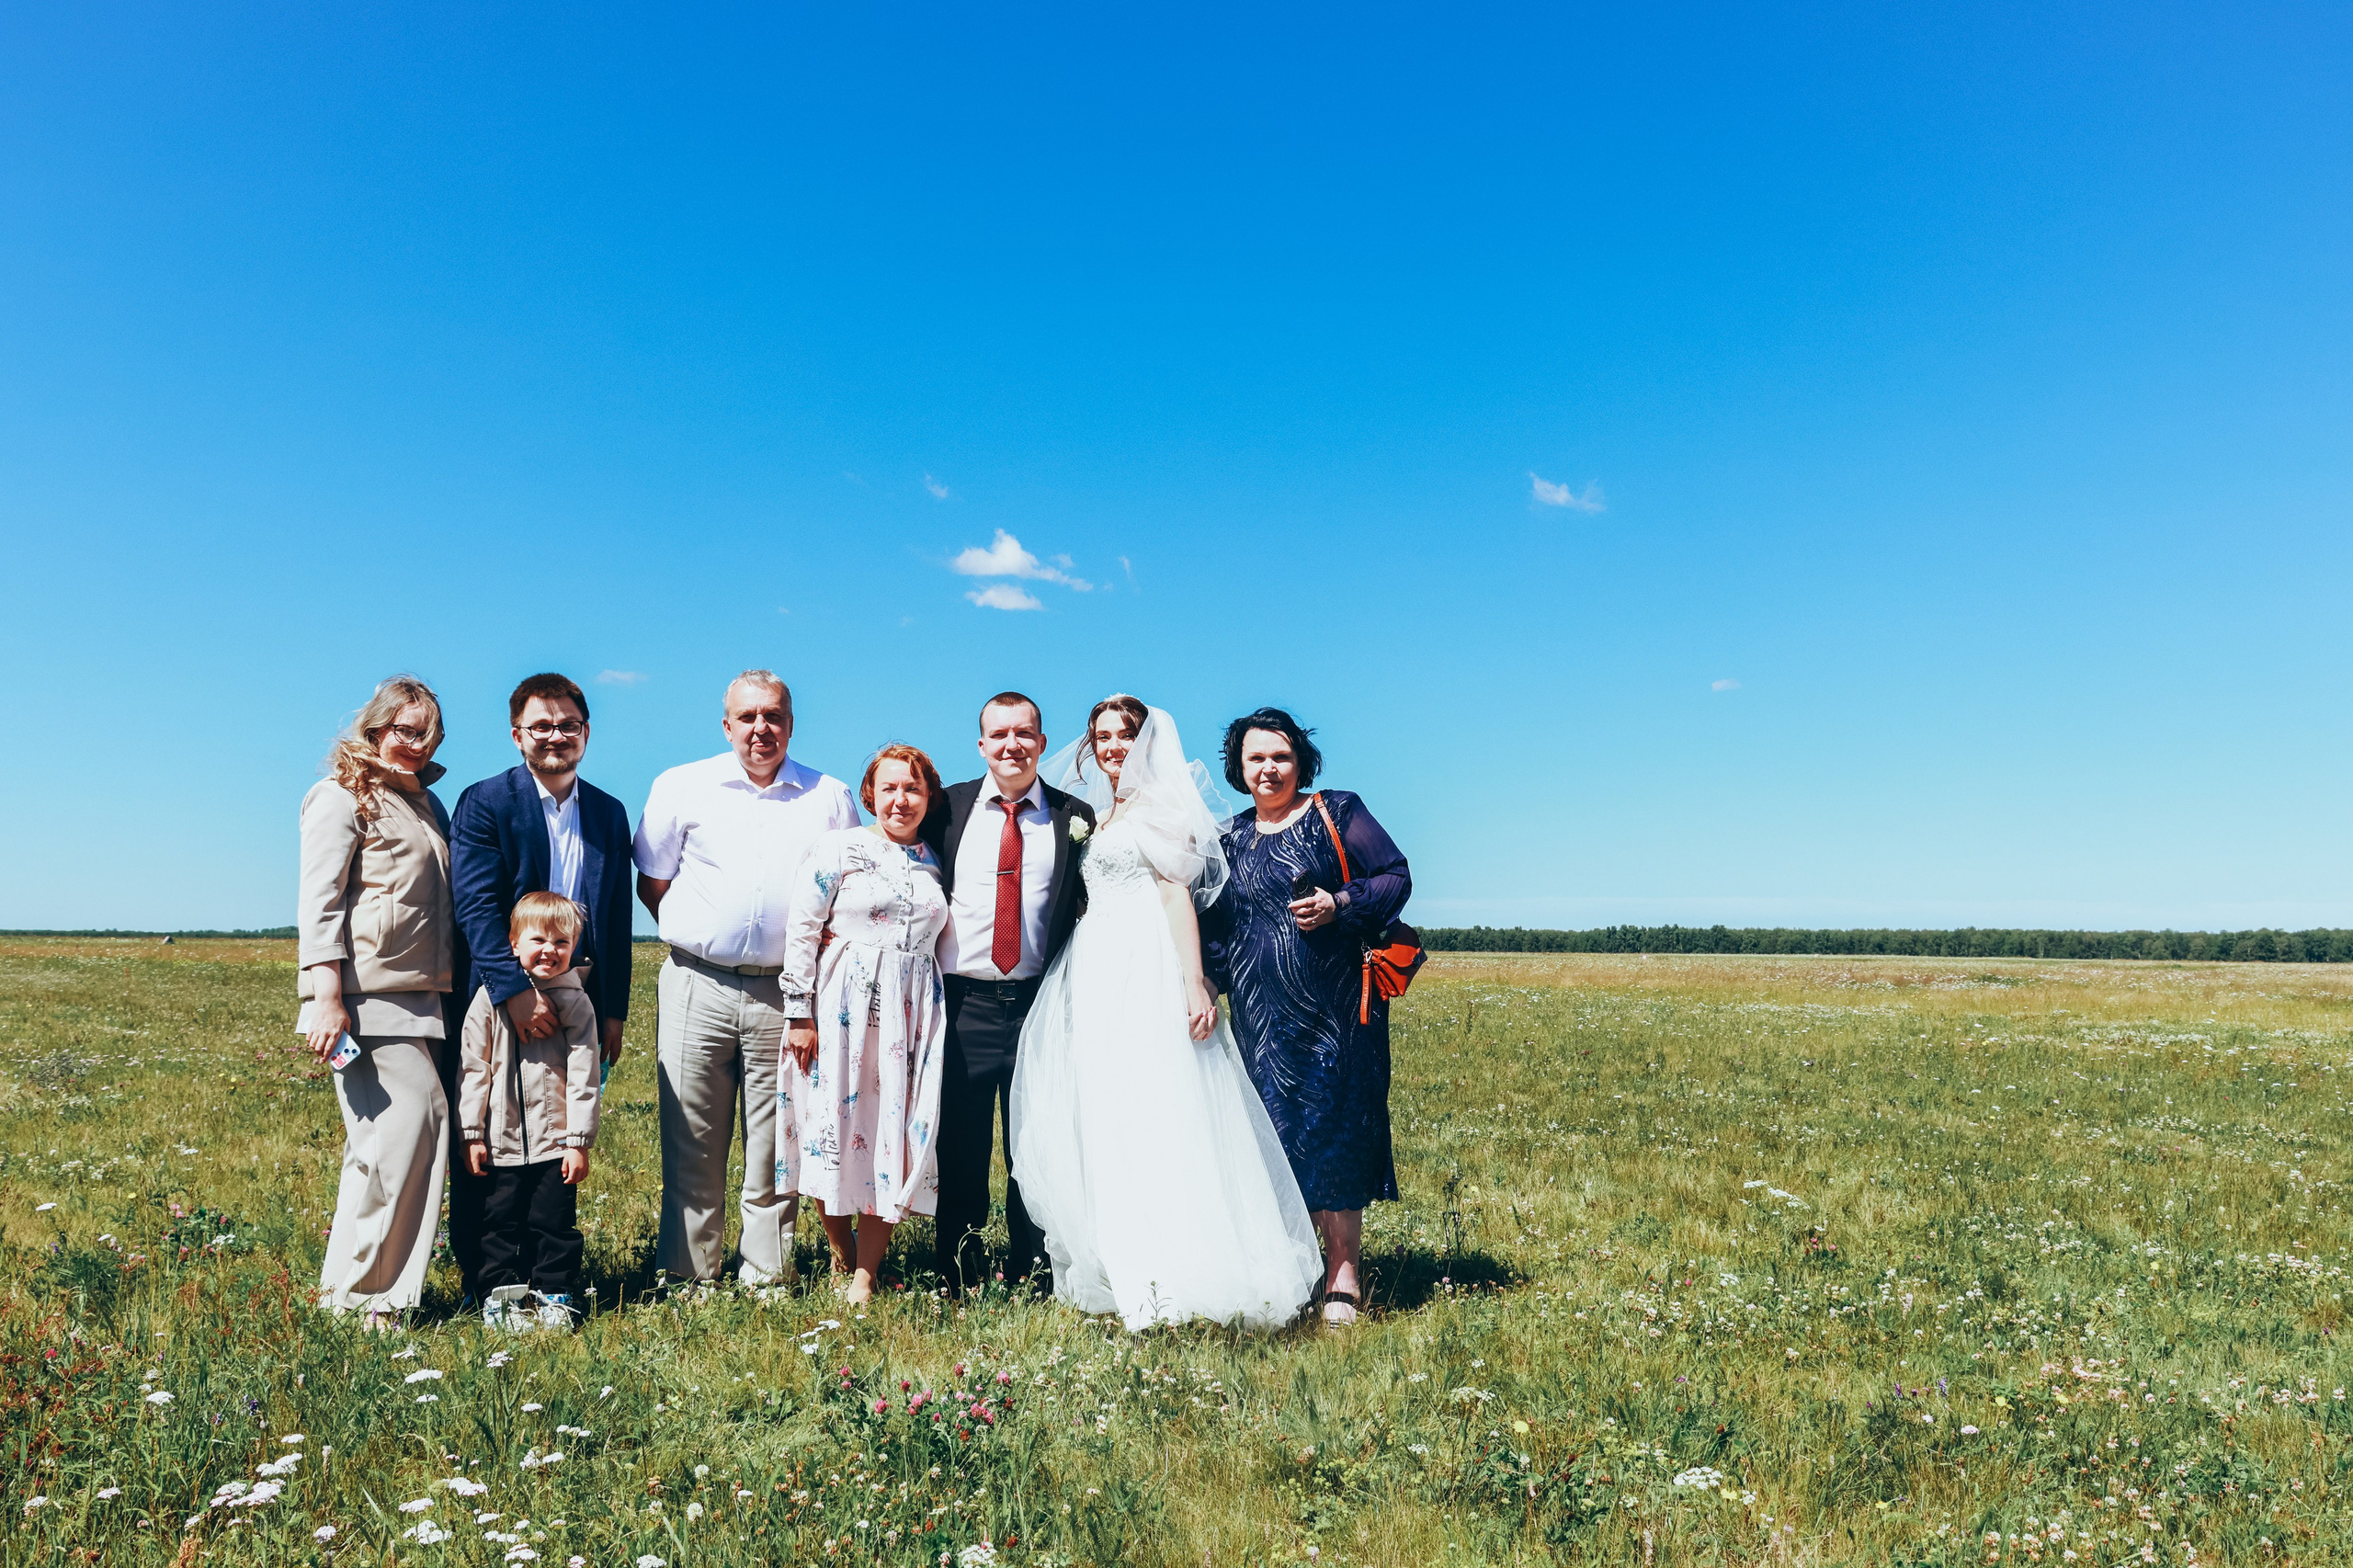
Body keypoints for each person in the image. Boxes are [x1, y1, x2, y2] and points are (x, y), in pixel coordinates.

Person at [1008, 696, 1324, 1331]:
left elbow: (1175, 892)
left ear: (1146, 741)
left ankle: (1176, 1263)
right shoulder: (1097, 812)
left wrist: (1194, 982)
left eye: (1125, 735)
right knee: (1106, 1106)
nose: (1113, 746)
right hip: (1095, 963)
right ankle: (1118, 1255)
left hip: (1144, 960)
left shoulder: (1162, 806)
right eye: (1102, 737)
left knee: (1159, 1100)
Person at [632, 671, 860, 1287]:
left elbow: (844, 895)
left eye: (775, 716)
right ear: (727, 724)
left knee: (777, 1142)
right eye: (748, 717)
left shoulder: (829, 796)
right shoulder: (682, 786)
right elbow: (651, 881)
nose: (762, 729)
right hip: (695, 982)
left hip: (786, 994)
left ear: (791, 722)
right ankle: (688, 1277)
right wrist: (710, 937)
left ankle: (765, 1276)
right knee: (691, 1139)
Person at [1208, 707, 1412, 1328]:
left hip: (1337, 1010)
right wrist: (1201, 986)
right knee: (1272, 1134)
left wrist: (1340, 901)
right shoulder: (1229, 838)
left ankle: (1344, 1271)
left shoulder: (1338, 811)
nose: (1268, 769)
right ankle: (1291, 1268)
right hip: (1258, 1018)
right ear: (1238, 769)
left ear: (1301, 761)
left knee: (1337, 1127)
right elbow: (1218, 930)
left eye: (1280, 757)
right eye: (1255, 758)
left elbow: (1396, 877)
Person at [447, 672, 635, 1306]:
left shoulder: (607, 812)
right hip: (498, 994)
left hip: (578, 995)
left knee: (558, 1133)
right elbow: (474, 906)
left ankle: (550, 1279)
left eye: (567, 725)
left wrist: (612, 1011)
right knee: (493, 1133)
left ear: (586, 732)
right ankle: (489, 1281)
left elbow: (613, 919)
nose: (555, 736)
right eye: (541, 726)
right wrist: (512, 991)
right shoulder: (485, 802)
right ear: (516, 734)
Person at [915, 693, 1095, 1293]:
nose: (1012, 745)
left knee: (1035, 1143)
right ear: (981, 745)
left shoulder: (1077, 816)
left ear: (1042, 743)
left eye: (1025, 734)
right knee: (961, 1145)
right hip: (964, 1001)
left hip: (1040, 1006)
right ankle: (959, 1271)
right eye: (999, 735)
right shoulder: (946, 808)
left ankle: (1036, 1267)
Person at [297, 675, 456, 1327]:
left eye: (429, 733)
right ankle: (375, 1301)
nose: (416, 744)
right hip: (364, 996)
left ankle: (346, 1295)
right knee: (415, 1127)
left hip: (423, 994)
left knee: (378, 1147)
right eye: (405, 730)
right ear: (375, 728)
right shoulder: (340, 797)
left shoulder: (426, 805)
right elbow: (320, 901)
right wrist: (324, 993)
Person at [779, 745, 952, 1305]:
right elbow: (803, 929)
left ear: (928, 798)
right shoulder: (840, 848)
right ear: (870, 794)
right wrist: (798, 1013)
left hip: (911, 1015)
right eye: (891, 788)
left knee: (893, 1134)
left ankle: (867, 1274)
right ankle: (841, 1254)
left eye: (915, 789)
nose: (902, 799)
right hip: (838, 1011)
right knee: (831, 1126)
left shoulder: (935, 861)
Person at [457, 892, 601, 1331]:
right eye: (538, 939)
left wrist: (577, 1142)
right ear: (513, 943)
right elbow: (473, 1066)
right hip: (498, 1138)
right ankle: (499, 1297)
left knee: (553, 1223)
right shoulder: (489, 1000)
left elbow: (584, 1076)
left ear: (574, 947)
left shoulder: (576, 1004)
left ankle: (553, 1294)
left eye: (562, 941)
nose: (550, 950)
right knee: (495, 1222)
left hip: (554, 1140)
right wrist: (471, 1132)